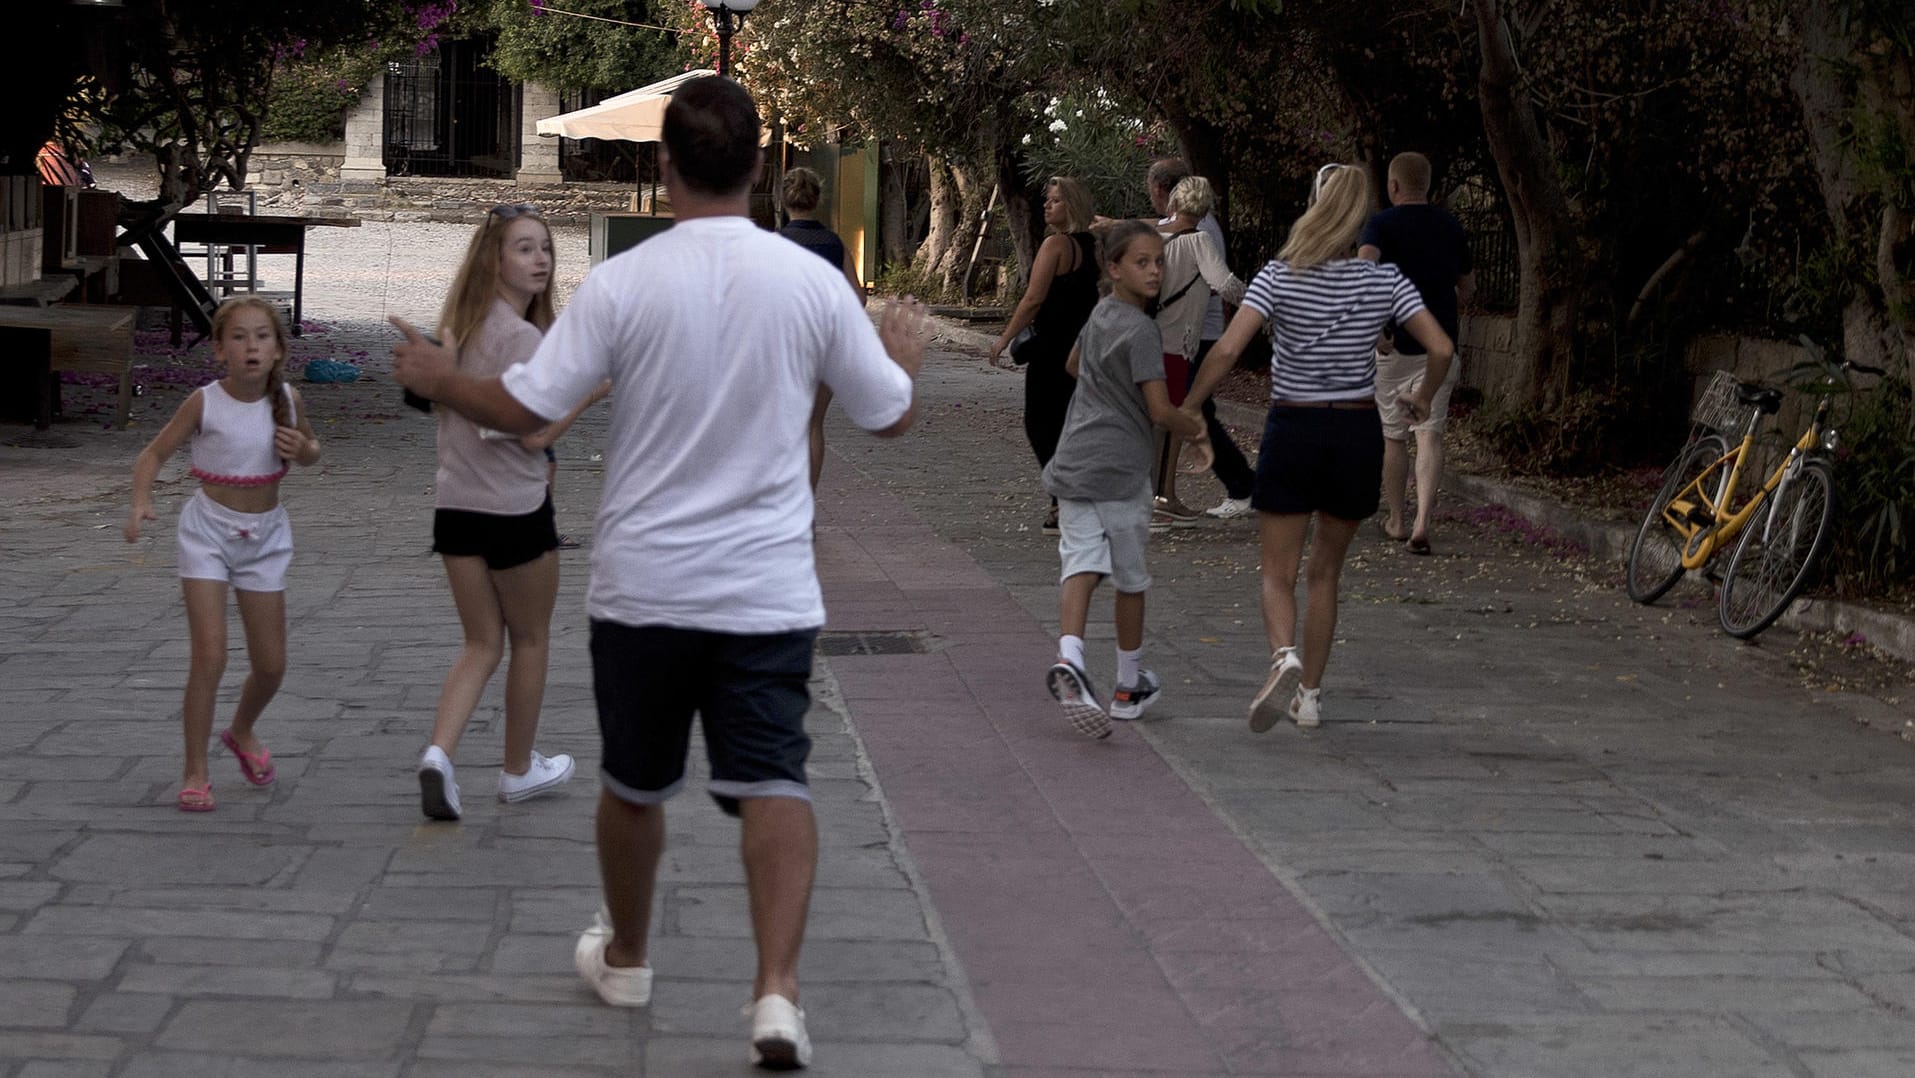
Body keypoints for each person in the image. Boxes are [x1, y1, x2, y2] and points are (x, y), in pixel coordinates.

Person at [390, 77, 927, 1070]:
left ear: (665, 167)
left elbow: (521, 407)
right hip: (765, 588)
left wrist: (438, 381)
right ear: (759, 166)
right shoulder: (810, 280)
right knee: (774, 779)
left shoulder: (623, 286)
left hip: (645, 587)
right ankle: (776, 992)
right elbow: (887, 415)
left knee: (634, 785)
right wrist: (904, 356)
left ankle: (629, 957)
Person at [1183, 164, 1452, 731]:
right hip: (1355, 435)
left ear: (1312, 205)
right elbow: (1442, 347)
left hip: (1294, 427)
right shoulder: (1385, 282)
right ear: (1360, 218)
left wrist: (1189, 407)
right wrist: (1424, 396)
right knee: (1325, 574)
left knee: (1276, 572)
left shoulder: (1278, 276)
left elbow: (1229, 350)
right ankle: (1309, 697)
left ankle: (1284, 657)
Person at [414, 202, 595, 823]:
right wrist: (590, 393)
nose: (540, 258)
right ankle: (518, 769)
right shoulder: (525, 339)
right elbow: (535, 436)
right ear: (494, 259)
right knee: (532, 639)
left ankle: (440, 754)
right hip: (516, 510)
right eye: (524, 247)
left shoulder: (456, 332)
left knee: (479, 642)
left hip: (455, 506)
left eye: (545, 247)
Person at [124, 297, 321, 812]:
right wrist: (142, 502)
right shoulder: (204, 402)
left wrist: (304, 451)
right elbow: (154, 453)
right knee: (210, 655)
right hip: (207, 533)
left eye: (261, 337)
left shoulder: (289, 398)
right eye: (238, 337)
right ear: (218, 350)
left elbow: (313, 448)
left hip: (266, 538)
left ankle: (241, 731)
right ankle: (195, 771)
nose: (251, 346)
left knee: (273, 665)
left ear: (278, 349)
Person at [1045, 221, 1211, 738]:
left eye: (1158, 261)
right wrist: (1197, 428)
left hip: (1074, 458)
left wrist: (1104, 388)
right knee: (1130, 577)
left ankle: (1071, 656)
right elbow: (1161, 411)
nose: (1155, 270)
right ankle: (1126, 685)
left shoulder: (1100, 315)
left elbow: (1073, 364)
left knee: (1079, 564)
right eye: (1142, 262)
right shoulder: (1143, 331)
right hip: (1121, 468)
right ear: (1113, 268)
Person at [1359, 152, 1474, 554]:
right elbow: (1468, 286)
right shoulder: (1451, 225)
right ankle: (1423, 520)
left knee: (1394, 438)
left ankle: (1396, 518)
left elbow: (1363, 271)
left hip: (1393, 346)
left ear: (1393, 186)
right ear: (1427, 186)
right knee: (1430, 435)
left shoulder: (1380, 225)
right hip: (1439, 347)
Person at [1143, 158, 1257, 521]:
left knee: (1153, 416)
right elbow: (1224, 284)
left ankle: (1146, 495)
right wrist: (1260, 301)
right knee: (1176, 416)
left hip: (1148, 336)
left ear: (1173, 200)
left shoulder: (1154, 236)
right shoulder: (1199, 239)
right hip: (1180, 341)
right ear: (1204, 207)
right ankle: (1163, 498)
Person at [988, 177, 1099, 536]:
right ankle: (1067, 501)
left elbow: (1033, 299)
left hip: (1052, 349)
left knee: (1040, 424)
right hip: (1083, 346)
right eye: (1047, 200)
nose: (1046, 206)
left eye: (1054, 201)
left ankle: (1063, 499)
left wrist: (1004, 338)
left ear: (1072, 206)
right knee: (1070, 424)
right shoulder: (1096, 246)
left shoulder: (1055, 245)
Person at [778, 166, 865, 492]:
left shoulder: (774, 243)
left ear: (784, 198)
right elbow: (858, 297)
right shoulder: (833, 243)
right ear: (817, 199)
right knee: (813, 424)